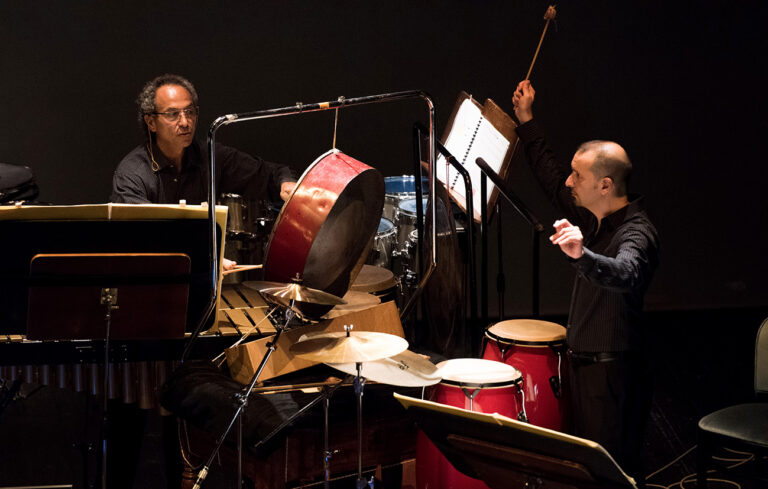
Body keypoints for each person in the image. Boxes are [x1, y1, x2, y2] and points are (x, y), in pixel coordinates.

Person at [512, 80, 659, 485]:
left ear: (605, 185)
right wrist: (526, 121)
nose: (570, 182)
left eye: (579, 175)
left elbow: (627, 272)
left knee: (610, 475)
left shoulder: (636, 232)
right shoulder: (593, 218)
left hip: (611, 378)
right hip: (583, 371)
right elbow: (550, 176)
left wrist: (583, 256)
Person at [111, 73, 296, 206]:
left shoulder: (211, 156)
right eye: (173, 114)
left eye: (190, 112)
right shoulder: (132, 173)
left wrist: (285, 182)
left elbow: (268, 174)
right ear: (151, 122)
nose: (185, 122)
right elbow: (142, 236)